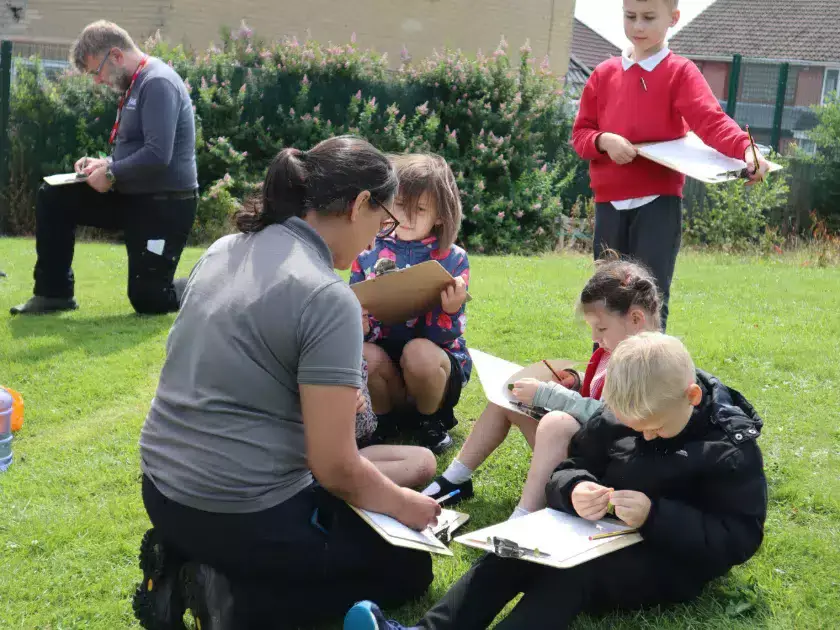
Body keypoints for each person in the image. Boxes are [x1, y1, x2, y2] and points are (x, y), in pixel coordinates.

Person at [133, 137, 441, 630]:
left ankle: (190, 563)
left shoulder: (222, 249)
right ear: (360, 203)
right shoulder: (326, 296)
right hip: (241, 512)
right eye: (382, 222)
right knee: (408, 569)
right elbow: (336, 467)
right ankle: (230, 599)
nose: (377, 240)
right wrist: (409, 506)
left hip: (161, 491)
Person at [346, 332, 768, 630]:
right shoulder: (621, 414)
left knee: (569, 576)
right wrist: (575, 489)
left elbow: (741, 535)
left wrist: (656, 516)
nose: (645, 436)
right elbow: (571, 466)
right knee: (511, 550)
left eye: (655, 428)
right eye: (634, 426)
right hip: (595, 532)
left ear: (691, 398)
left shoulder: (729, 448)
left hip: (668, 560)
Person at [572, 0, 770, 331]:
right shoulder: (603, 75)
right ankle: (603, 381)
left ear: (673, 18)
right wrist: (603, 140)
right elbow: (581, 135)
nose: (638, 26)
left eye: (649, 18)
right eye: (630, 16)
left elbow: (711, 122)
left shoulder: (680, 72)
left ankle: (651, 377)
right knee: (605, 301)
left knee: (648, 301)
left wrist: (745, 152)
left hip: (658, 205)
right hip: (609, 204)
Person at [424, 258, 661, 521]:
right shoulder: (615, 350)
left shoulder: (647, 362)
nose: (595, 337)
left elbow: (614, 417)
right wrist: (575, 381)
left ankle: (525, 516)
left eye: (601, 328)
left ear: (636, 319)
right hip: (589, 448)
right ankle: (454, 479)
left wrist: (547, 395)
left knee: (557, 423)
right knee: (505, 399)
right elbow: (601, 390)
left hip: (606, 468)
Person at [11, 20, 197, 316]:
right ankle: (52, 293)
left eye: (97, 71)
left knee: (150, 299)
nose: (97, 81)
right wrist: (105, 163)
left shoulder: (157, 82)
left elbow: (159, 154)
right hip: (132, 196)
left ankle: (209, 282)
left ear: (116, 56)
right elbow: (138, 149)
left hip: (164, 205)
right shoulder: (135, 83)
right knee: (54, 196)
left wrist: (112, 173)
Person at [351, 153, 470, 454]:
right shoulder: (366, 250)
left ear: (441, 216)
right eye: (401, 205)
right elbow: (355, 312)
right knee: (364, 353)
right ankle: (383, 420)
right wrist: (360, 322)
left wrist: (451, 310)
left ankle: (428, 420)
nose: (406, 217)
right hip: (384, 355)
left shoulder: (453, 258)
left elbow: (445, 337)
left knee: (419, 353)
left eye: (420, 209)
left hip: (432, 359)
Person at [357, 356, 437, 489]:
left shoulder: (351, 355)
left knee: (424, 461)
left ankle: (333, 484)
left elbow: (365, 426)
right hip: (318, 458)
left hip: (346, 454)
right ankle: (325, 488)